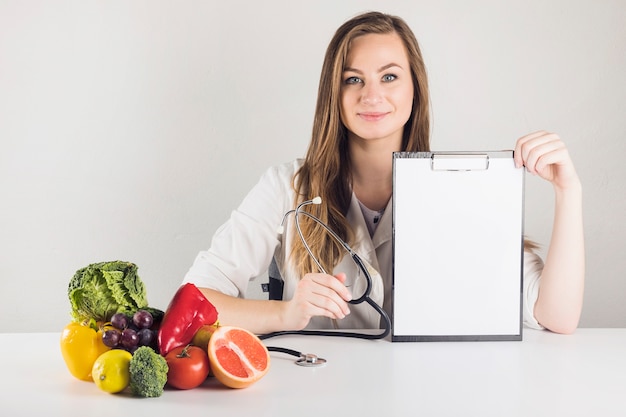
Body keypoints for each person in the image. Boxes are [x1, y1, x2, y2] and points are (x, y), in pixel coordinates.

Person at [182, 11, 585, 335]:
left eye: (389, 77)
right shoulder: (286, 186)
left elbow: (555, 316)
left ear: (415, 89)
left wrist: (569, 192)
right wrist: (287, 314)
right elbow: (194, 298)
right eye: (353, 79)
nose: (371, 95)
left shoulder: (460, 187)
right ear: (333, 95)